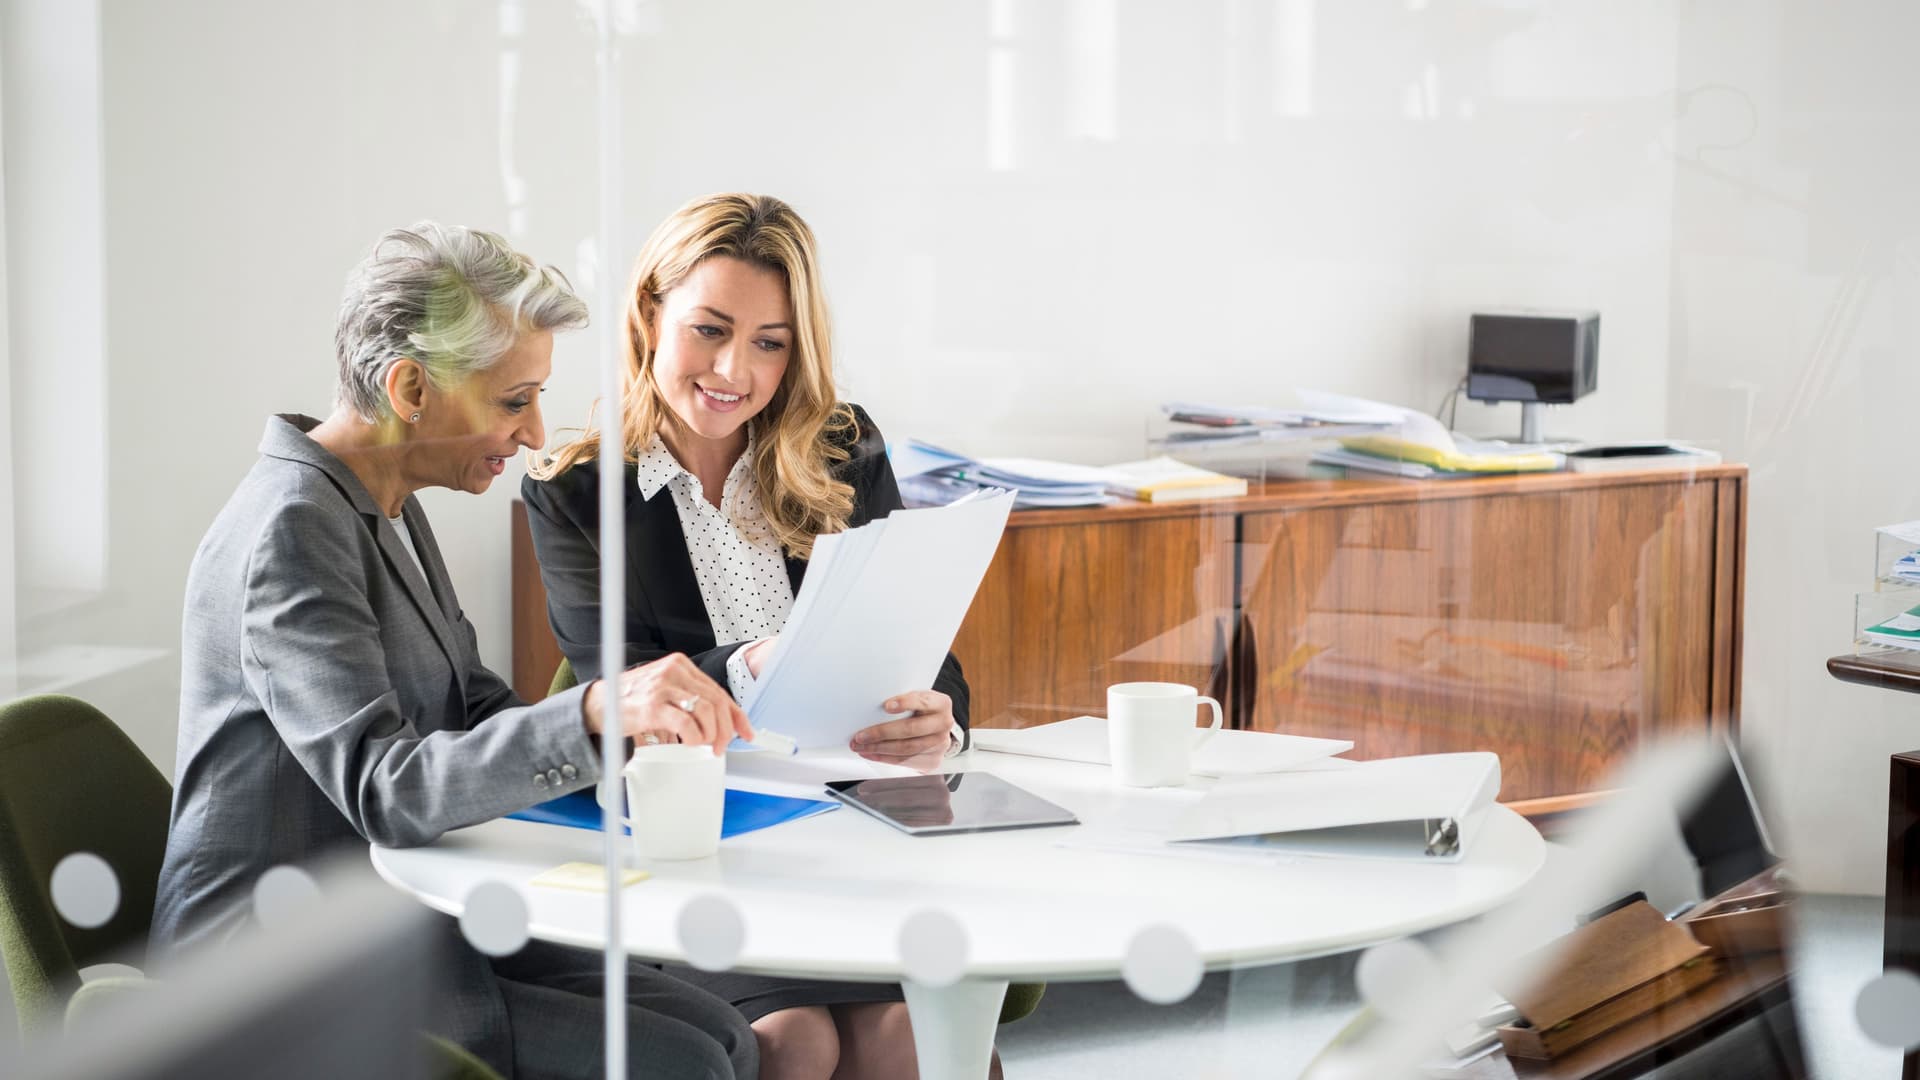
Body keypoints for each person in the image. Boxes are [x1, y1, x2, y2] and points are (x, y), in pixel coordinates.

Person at [150, 222, 759, 1080]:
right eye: (515, 401)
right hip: (282, 966)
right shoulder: (294, 527)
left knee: (724, 1037)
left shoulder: (383, 497)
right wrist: (590, 714)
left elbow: (471, 703)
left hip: (401, 913)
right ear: (409, 388)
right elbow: (384, 788)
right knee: (684, 1062)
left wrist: (680, 693)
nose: (537, 432)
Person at [522, 193, 984, 1080]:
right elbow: (620, 691)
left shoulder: (843, 448)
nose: (735, 368)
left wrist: (942, 719)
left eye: (770, 342)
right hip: (705, 845)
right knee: (795, 1039)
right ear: (649, 315)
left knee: (903, 1039)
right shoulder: (575, 491)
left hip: (851, 833)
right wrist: (751, 665)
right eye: (709, 329)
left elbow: (927, 655)